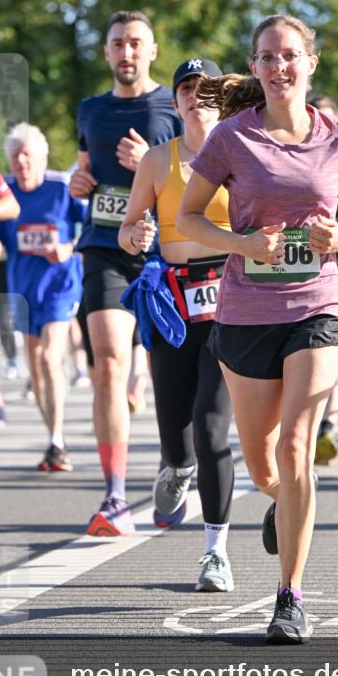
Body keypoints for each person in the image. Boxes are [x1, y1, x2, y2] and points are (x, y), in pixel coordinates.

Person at [178, 15, 338, 642]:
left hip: (319, 305)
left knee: (298, 448)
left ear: (311, 62)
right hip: (245, 313)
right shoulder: (231, 138)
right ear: (256, 64)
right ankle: (283, 501)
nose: (279, 67)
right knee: (265, 464)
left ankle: (289, 598)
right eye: (267, 57)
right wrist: (244, 243)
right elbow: (190, 219)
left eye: (290, 56)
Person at [119, 56, 236, 591]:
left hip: (233, 297)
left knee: (213, 428)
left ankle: (215, 551)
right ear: (176, 102)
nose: (196, 97)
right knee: (176, 429)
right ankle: (176, 467)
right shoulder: (156, 161)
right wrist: (136, 236)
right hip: (174, 299)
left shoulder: (242, 155)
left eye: (206, 89)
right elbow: (127, 229)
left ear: (222, 98)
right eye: (187, 89)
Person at [70, 10, 182, 535]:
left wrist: (153, 163)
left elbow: (201, 178)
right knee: (110, 365)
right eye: (118, 44)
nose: (127, 52)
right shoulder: (89, 109)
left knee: (168, 375)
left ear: (153, 50)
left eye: (137, 42)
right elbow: (84, 170)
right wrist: (78, 181)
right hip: (104, 247)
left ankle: (176, 467)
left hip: (166, 257)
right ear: (107, 52)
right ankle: (114, 496)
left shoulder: (175, 105)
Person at [0, 123, 86, 471]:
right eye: (15, 154)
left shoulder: (60, 188)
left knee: (50, 358)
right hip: (24, 287)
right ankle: (53, 441)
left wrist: (67, 247)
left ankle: (58, 438)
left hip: (61, 285)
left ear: (42, 156)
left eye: (27, 154)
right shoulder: (4, 193)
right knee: (36, 364)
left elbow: (92, 225)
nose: (20, 161)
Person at [307, 96, 338, 465]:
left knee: (331, 353)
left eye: (330, 115)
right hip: (291, 277)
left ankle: (326, 427)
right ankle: (308, 428)